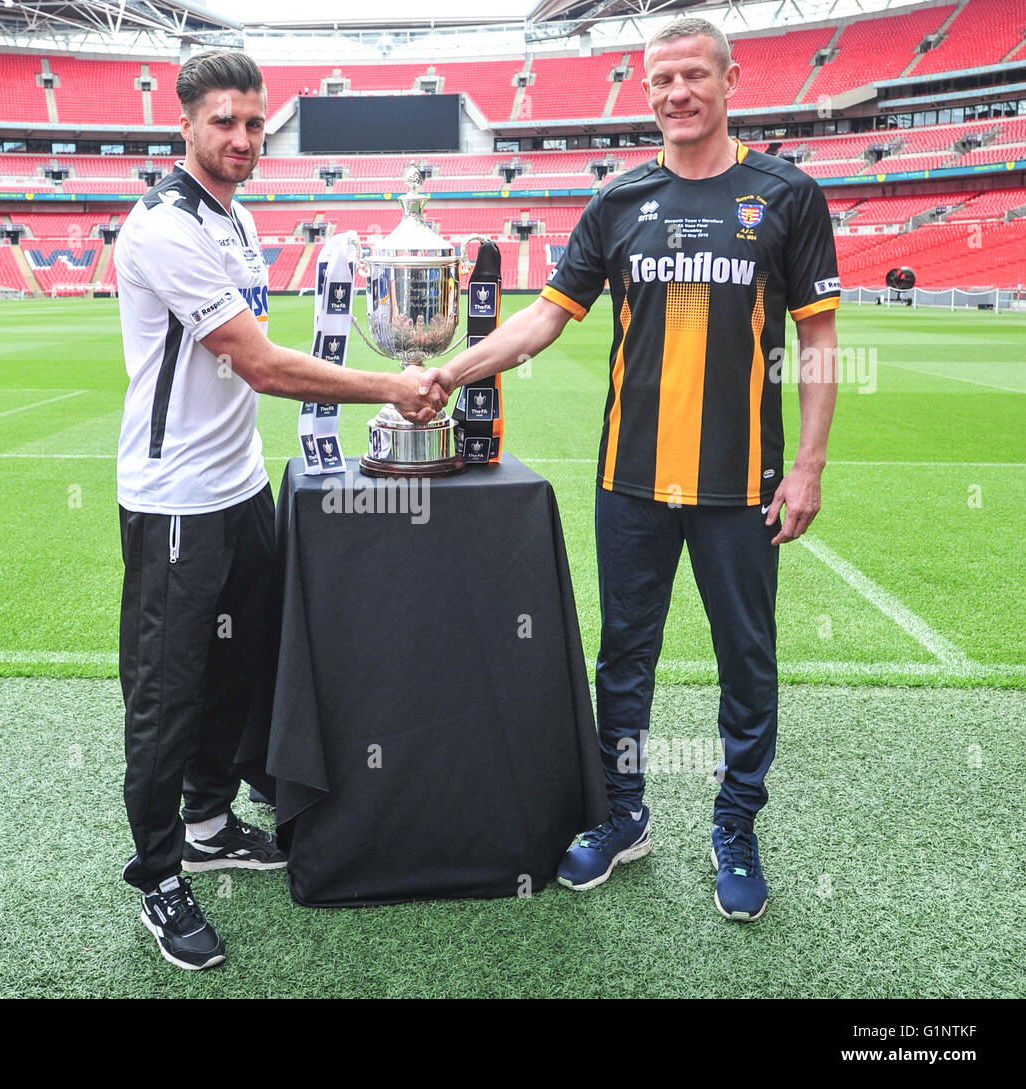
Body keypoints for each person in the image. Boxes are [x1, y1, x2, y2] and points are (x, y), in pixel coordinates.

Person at [421, 17, 839, 922]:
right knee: (625, 658)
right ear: (646, 92)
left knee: (747, 661)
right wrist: (449, 368)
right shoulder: (619, 201)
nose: (676, 93)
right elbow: (547, 316)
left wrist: (806, 467)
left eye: (694, 75)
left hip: (743, 486)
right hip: (632, 480)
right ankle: (625, 812)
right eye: (660, 81)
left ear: (730, 81)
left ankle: (735, 823)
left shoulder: (786, 195)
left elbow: (819, 342)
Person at [115, 49, 445, 970]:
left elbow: (261, 349)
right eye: (224, 121)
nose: (242, 139)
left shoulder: (239, 215)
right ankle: (158, 874)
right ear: (184, 123)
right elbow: (259, 364)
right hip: (176, 496)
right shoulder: (164, 227)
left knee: (238, 669)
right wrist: (387, 381)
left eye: (255, 123)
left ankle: (213, 819)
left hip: (240, 487)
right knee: (166, 692)